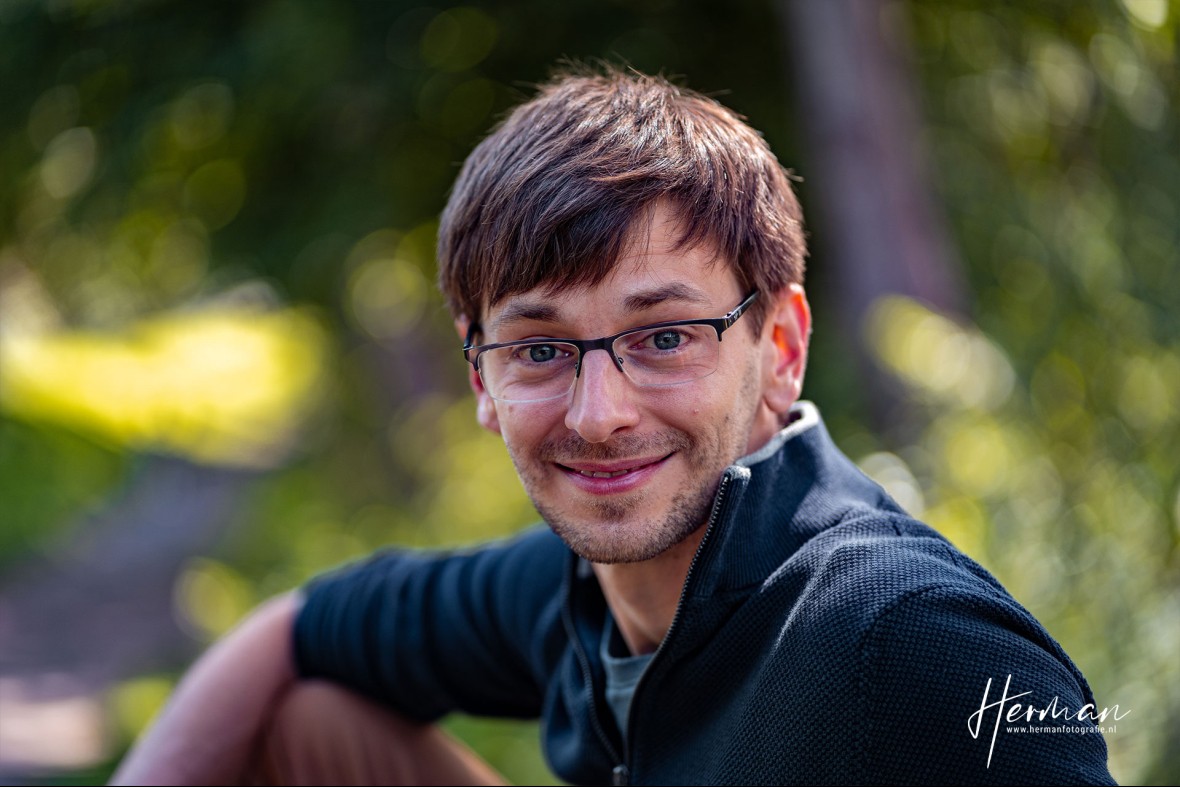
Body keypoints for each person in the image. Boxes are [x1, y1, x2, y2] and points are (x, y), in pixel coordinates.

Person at [113, 67, 1116, 786]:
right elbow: (301, 626)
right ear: (479, 372)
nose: (600, 415)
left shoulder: (907, 640)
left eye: (666, 335)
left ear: (779, 348)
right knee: (314, 724)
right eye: (539, 349)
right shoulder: (579, 588)